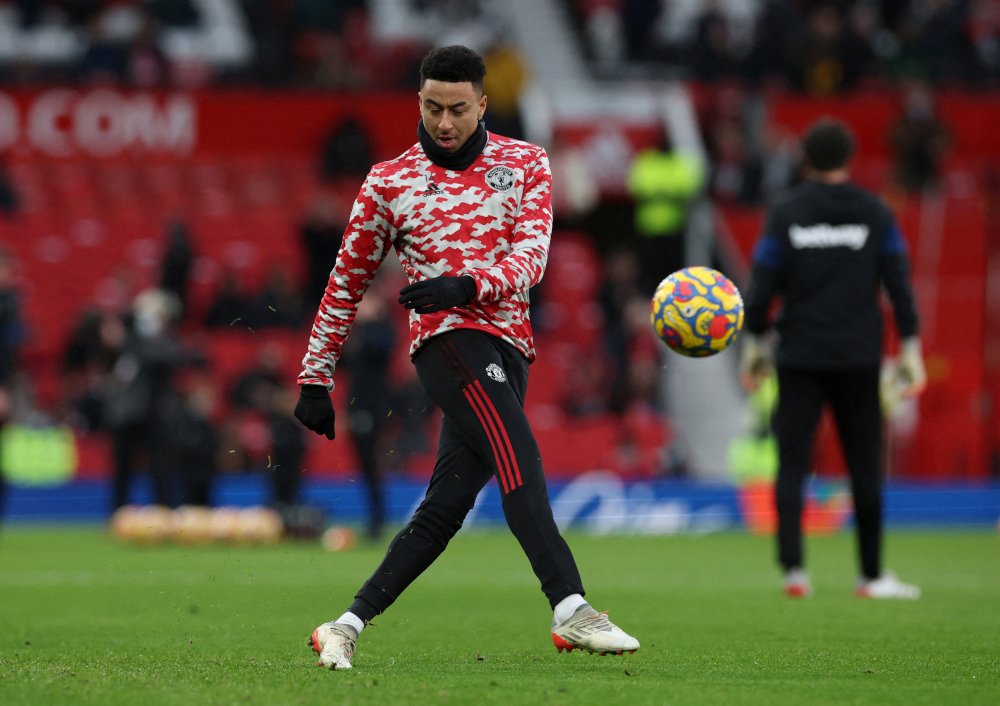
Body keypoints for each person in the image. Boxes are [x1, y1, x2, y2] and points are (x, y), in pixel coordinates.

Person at [294, 45, 640, 670]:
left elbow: (532, 261)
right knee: (519, 456)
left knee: (443, 511)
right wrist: (316, 378)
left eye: (457, 109)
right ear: (418, 103)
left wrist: (467, 284)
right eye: (432, 108)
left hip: (511, 345)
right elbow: (344, 283)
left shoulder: (526, 162)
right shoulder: (388, 182)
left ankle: (344, 624)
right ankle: (570, 607)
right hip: (447, 344)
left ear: (482, 104)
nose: (444, 122)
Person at [739, 119, 926, 600]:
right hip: (859, 355)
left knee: (792, 463)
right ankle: (871, 575)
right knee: (864, 465)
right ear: (849, 156)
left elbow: (761, 286)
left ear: (805, 159)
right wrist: (910, 349)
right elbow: (899, 285)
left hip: (799, 352)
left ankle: (793, 573)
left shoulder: (787, 213)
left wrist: (756, 345)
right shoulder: (874, 212)